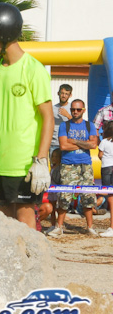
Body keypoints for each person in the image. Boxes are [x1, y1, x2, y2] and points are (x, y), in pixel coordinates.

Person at [0, 2, 53, 229]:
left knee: (24, 222)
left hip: (23, 164)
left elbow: (48, 117)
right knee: (2, 225)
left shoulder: (33, 69)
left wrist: (41, 160)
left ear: (4, 34)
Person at [49, 99, 99, 237]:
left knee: (88, 196)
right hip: (68, 165)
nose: (75, 112)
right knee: (64, 197)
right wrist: (84, 143)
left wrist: (75, 141)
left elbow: (93, 145)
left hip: (86, 165)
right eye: (72, 109)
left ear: (83, 110)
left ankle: (90, 227)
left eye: (78, 109)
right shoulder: (64, 125)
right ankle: (59, 227)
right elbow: (63, 146)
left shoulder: (89, 125)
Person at [97, 123, 113, 238]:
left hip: (106, 166)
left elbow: (100, 154)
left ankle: (111, 226)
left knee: (108, 193)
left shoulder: (104, 142)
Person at [52, 84, 72, 154]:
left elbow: (78, 123)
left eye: (66, 94)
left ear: (70, 95)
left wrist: (68, 116)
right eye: (62, 93)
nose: (64, 96)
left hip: (67, 143)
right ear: (58, 93)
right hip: (54, 143)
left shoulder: (73, 108)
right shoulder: (52, 108)